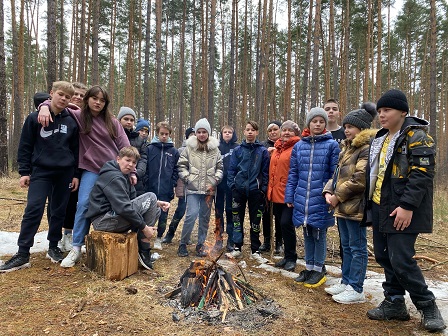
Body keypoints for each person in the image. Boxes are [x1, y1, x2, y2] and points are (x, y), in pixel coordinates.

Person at [365, 89, 445, 332]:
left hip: (403, 208)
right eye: (379, 111)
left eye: (387, 110)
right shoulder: (380, 138)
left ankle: (427, 305)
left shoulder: (417, 136)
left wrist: (407, 206)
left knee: (401, 259)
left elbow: (422, 175)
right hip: (381, 206)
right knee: (382, 255)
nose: (382, 115)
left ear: (403, 111)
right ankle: (395, 302)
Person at [37, 85, 131, 268]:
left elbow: (125, 147)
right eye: (95, 98)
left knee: (120, 204)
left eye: (102, 100)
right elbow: (54, 103)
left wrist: (131, 171)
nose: (98, 102)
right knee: (84, 205)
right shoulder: (78, 116)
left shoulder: (112, 122)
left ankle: (128, 246)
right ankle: (77, 247)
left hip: (113, 170)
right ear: (87, 99)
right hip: (91, 169)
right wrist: (44, 106)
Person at [0, 81, 79, 272]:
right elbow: (25, 146)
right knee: (33, 208)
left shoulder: (71, 122)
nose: (64, 99)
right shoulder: (34, 118)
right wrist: (24, 172)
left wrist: (75, 174)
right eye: (61, 94)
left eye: (68, 97)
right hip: (41, 172)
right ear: (51, 94)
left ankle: (53, 247)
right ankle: (22, 252)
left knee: (58, 211)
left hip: (65, 173)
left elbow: (76, 150)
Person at [322, 102, 377, 304]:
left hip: (355, 206)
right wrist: (328, 190)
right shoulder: (346, 148)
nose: (346, 130)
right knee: (346, 245)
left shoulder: (365, 148)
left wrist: (337, 196)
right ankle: (346, 282)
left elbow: (360, 179)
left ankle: (356, 288)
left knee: (357, 247)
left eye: (350, 127)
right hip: (342, 206)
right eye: (345, 127)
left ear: (361, 128)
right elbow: (336, 174)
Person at [85, 146, 170, 270]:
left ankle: (139, 245)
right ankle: (144, 246)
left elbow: (131, 201)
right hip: (104, 221)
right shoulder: (114, 177)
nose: (130, 164)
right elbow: (123, 208)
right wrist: (144, 227)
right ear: (118, 159)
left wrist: (156, 203)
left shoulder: (124, 175)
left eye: (134, 162)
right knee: (151, 196)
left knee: (155, 208)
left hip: (112, 217)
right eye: (127, 160)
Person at [285, 107, 340, 287]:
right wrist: (290, 196)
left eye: (321, 121)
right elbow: (293, 173)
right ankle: (309, 268)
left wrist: (330, 194)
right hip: (302, 196)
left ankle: (319, 269)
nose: (318, 124)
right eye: (314, 121)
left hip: (320, 197)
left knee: (319, 233)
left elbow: (335, 174)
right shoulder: (299, 146)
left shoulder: (332, 145)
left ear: (325, 124)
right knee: (307, 232)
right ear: (308, 123)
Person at [177, 118, 223, 257]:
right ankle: (183, 244)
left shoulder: (215, 150)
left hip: (209, 190)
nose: (202, 134)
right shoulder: (189, 148)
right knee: (191, 215)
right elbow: (181, 165)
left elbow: (220, 167)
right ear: (195, 133)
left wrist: (215, 180)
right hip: (192, 189)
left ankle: (200, 244)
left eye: (204, 132)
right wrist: (187, 178)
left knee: (204, 218)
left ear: (208, 133)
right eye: (199, 132)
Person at [226, 121, 270, 263]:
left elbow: (265, 172)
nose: (250, 132)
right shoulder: (238, 150)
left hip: (255, 191)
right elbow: (231, 170)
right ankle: (237, 247)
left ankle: (255, 249)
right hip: (238, 190)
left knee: (255, 221)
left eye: (253, 130)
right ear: (244, 132)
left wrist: (262, 189)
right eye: (248, 129)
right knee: (237, 219)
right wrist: (233, 185)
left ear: (257, 132)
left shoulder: (262, 151)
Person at [58, 82, 88, 253]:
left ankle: (69, 235)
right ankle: (56, 237)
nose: (77, 97)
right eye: (75, 94)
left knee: (77, 201)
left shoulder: (86, 117)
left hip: (83, 165)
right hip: (61, 165)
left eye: (81, 96)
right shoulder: (60, 111)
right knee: (59, 202)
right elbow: (41, 99)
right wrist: (46, 105)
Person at [268, 120, 301, 272]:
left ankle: (291, 257)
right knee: (281, 225)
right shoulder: (276, 149)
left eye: (290, 130)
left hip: (289, 194)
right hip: (276, 193)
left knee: (287, 224)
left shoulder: (298, 147)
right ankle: (287, 257)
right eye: (284, 130)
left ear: (296, 133)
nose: (286, 133)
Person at [146, 121, 179, 250]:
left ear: (170, 135)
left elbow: (176, 169)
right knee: (149, 214)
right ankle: (146, 237)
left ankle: (159, 237)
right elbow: (146, 166)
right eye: (161, 134)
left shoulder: (173, 151)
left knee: (163, 216)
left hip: (166, 190)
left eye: (166, 134)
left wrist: (173, 183)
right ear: (157, 133)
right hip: (151, 189)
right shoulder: (150, 148)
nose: (164, 136)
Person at [162, 127, 195, 244]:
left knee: (192, 213)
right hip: (184, 187)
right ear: (187, 137)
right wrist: (179, 187)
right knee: (180, 211)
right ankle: (170, 234)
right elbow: (177, 169)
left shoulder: (200, 150)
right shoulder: (180, 151)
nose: (193, 136)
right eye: (191, 134)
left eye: (195, 134)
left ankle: (187, 236)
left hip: (195, 189)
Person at [214, 125, 238, 251]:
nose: (227, 134)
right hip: (219, 184)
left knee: (230, 211)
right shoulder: (217, 147)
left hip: (232, 185)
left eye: (230, 132)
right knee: (218, 211)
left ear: (233, 134)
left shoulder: (237, 148)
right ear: (221, 134)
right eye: (225, 132)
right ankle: (218, 239)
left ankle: (231, 240)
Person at [260, 121, 282, 253]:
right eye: (270, 130)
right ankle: (267, 241)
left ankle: (279, 242)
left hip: (279, 186)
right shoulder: (262, 146)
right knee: (266, 214)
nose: (273, 132)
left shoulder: (284, 145)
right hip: (265, 185)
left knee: (279, 215)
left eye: (275, 129)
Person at [117, 107, 148, 196]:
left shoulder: (139, 139)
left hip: (135, 180)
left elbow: (143, 159)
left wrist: (136, 173)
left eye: (132, 120)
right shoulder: (113, 136)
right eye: (126, 119)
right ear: (119, 120)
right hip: (116, 176)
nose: (129, 122)